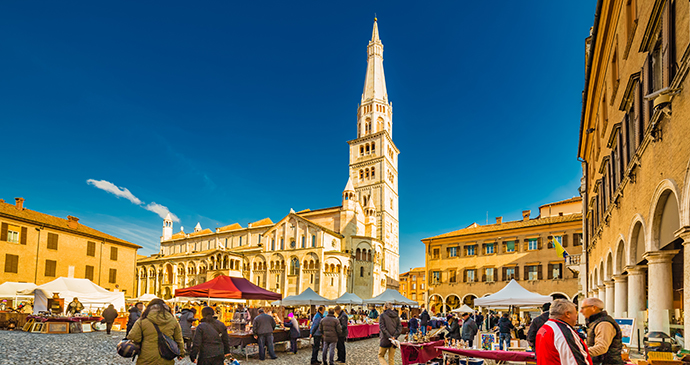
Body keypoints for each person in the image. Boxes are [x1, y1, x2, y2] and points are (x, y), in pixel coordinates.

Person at [127, 298, 185, 365]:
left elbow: (133, 337)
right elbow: (179, 339)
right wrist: (181, 353)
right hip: (166, 357)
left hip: (146, 357)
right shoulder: (173, 321)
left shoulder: (142, 321)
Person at [535, 299, 592, 365]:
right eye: (575, 313)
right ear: (567, 314)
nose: (576, 317)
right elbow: (574, 360)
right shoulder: (561, 331)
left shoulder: (545, 327)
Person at [580, 297, 624, 365]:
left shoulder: (604, 323)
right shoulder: (595, 322)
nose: (581, 311)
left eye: (583, 308)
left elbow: (601, 347)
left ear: (594, 308)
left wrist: (580, 352)